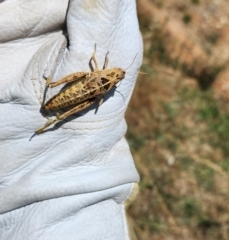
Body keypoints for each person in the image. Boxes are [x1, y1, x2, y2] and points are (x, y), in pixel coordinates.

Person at [0, 0, 143, 239]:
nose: (116, 74)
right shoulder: (105, 89)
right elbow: (97, 72)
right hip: (80, 86)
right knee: (78, 84)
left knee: (80, 92)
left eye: (116, 76)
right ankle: (51, 91)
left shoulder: (102, 81)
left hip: (84, 90)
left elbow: (97, 67)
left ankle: (50, 116)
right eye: (116, 73)